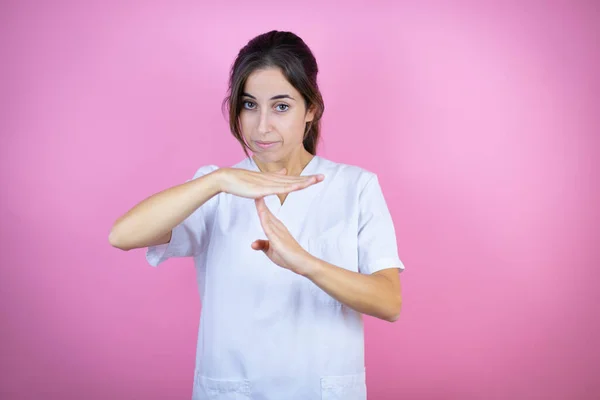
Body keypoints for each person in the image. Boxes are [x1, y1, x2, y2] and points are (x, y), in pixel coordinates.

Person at [109, 30, 405, 400]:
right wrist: (217, 180)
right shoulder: (215, 189)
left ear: (311, 109)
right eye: (249, 105)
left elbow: (388, 302)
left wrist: (305, 263)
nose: (262, 126)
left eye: (281, 106)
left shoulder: (355, 186)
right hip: (234, 389)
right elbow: (122, 235)